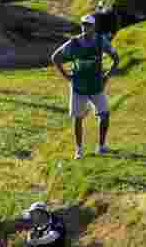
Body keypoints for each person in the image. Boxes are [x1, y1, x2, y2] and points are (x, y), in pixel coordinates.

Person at [51, 14, 120, 158]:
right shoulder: (73, 43)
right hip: (78, 87)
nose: (85, 27)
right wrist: (66, 76)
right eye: (83, 24)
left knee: (105, 115)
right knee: (78, 118)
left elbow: (116, 58)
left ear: (94, 27)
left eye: (88, 25)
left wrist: (107, 76)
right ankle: (79, 150)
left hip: (96, 86)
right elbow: (55, 57)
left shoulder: (102, 41)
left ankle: (101, 146)